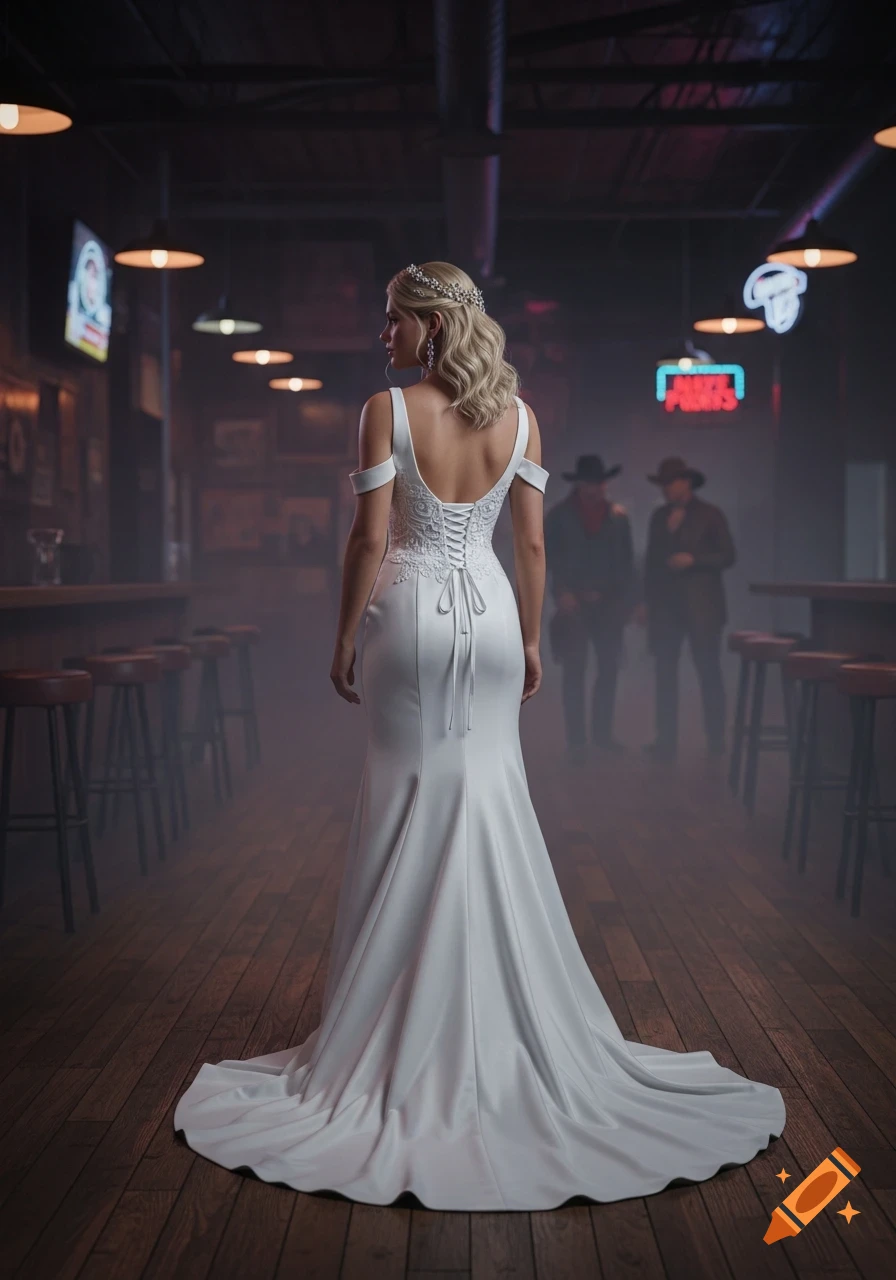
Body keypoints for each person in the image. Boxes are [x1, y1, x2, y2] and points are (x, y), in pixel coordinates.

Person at [174, 264, 784, 1210]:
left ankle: (397, 1022)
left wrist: (342, 638)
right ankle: (498, 1022)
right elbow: (531, 545)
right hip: (494, 614)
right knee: (491, 797)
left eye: (392, 320)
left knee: (404, 801)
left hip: (410, 616)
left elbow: (369, 539)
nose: (383, 336)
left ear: (428, 323)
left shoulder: (386, 410)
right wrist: (534, 638)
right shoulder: (523, 417)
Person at [641, 456, 737, 760]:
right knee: (665, 674)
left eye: (671, 483)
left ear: (687, 482)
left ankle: (716, 738)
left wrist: (694, 561)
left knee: (708, 671)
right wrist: (645, 602)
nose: (667, 489)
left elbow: (728, 555)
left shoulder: (710, 514)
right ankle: (666, 739)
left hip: (702, 608)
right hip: (667, 609)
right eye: (664, 484)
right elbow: (651, 564)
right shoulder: (658, 517)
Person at [544, 454, 634, 758]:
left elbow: (627, 563)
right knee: (574, 671)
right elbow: (547, 559)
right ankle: (577, 741)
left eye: (597, 483)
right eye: (588, 483)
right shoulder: (558, 517)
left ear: (604, 484)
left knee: (608, 669)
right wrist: (561, 593)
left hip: (609, 605)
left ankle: (602, 736)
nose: (593, 489)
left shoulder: (618, 518)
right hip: (574, 604)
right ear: (579, 484)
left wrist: (627, 602)